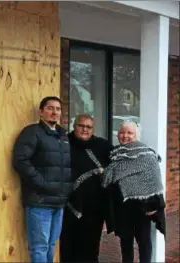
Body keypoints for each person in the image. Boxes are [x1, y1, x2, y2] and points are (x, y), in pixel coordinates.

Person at [12, 96, 73, 263]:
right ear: (41, 112)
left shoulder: (62, 136)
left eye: (58, 109)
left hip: (58, 202)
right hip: (39, 201)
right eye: (50, 108)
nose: (54, 112)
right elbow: (21, 161)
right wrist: (42, 184)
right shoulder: (32, 132)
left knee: (51, 245)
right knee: (39, 247)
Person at [102, 121, 166, 263]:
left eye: (129, 133)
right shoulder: (115, 154)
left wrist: (154, 205)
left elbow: (154, 180)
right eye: (122, 132)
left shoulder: (146, 154)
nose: (125, 136)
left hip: (142, 208)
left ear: (136, 135)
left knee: (143, 243)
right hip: (122, 206)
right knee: (125, 243)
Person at [59, 114, 113, 263]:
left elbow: (119, 161)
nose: (85, 129)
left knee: (91, 245)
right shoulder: (64, 143)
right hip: (69, 205)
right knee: (69, 244)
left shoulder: (102, 145)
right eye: (81, 126)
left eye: (88, 127)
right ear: (74, 126)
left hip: (95, 207)